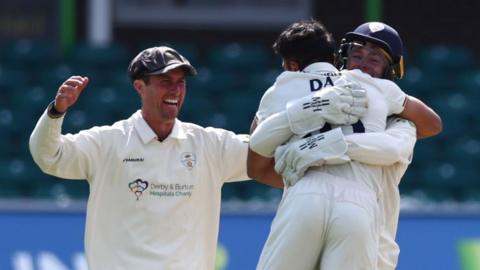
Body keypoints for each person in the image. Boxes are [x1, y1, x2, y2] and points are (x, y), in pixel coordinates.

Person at [28, 46, 277, 270]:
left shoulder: (209, 145)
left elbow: (267, 156)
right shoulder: (108, 142)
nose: (176, 90)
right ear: (139, 86)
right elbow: (49, 156)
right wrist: (56, 112)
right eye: (165, 81)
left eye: (181, 82)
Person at [248, 20, 441, 269]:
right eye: (357, 55)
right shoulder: (380, 90)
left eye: (374, 60)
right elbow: (432, 123)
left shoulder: (288, 84)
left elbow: (256, 151)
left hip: (305, 194)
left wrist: (313, 149)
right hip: (358, 204)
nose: (362, 65)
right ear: (342, 56)